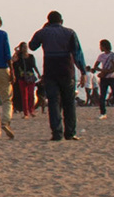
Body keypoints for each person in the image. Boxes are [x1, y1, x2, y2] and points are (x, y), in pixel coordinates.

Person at [29, 11, 87, 141]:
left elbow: (32, 46)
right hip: (67, 70)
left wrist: (44, 30)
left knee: (53, 103)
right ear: (61, 21)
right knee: (69, 103)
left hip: (50, 71)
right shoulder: (70, 33)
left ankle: (57, 133)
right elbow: (77, 53)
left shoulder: (42, 32)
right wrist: (83, 71)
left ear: (48, 21)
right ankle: (70, 133)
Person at [94, 39, 114, 119]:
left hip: (112, 77)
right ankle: (103, 113)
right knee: (102, 95)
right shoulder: (101, 56)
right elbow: (96, 66)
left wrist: (105, 72)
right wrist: (101, 71)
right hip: (104, 78)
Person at [11, 43, 39, 119]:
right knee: (24, 96)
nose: (25, 48)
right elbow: (12, 61)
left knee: (31, 94)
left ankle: (31, 110)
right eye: (23, 47)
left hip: (30, 77)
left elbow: (34, 66)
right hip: (22, 77)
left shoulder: (31, 56)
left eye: (26, 47)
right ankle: (26, 113)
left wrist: (38, 74)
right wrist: (16, 52)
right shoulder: (19, 57)